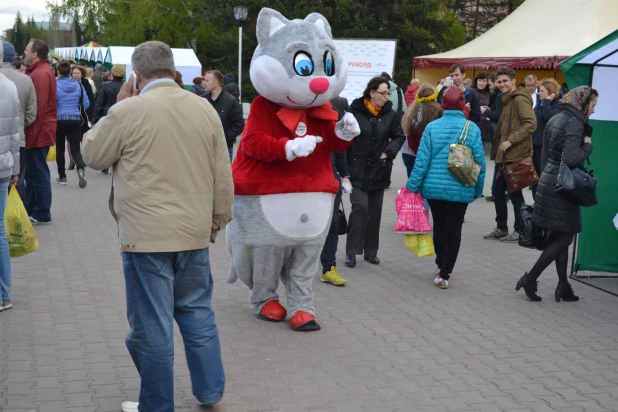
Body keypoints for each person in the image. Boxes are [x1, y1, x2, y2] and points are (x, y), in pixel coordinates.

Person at [82, 40, 233, 412]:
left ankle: (156, 404)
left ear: (136, 73)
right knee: (197, 314)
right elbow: (222, 174)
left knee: (152, 328)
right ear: (171, 69)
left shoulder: (128, 110)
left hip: (146, 238)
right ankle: (210, 390)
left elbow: (92, 154)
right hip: (194, 233)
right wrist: (215, 224)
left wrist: (117, 106)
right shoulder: (204, 108)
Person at [516, 86, 597, 302]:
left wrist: (544, 179)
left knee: (561, 235)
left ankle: (563, 286)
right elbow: (573, 159)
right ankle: (531, 278)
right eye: (592, 105)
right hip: (563, 187)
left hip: (550, 180)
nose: (594, 110)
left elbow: (544, 154)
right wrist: (588, 146)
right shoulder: (575, 123)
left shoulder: (556, 118)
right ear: (581, 103)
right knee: (566, 236)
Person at [406, 87, 486, 289]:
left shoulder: (432, 127)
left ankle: (440, 262)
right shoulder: (472, 129)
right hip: (461, 187)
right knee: (455, 229)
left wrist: (412, 186)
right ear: (462, 105)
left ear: (442, 104)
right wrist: (478, 190)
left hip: (434, 188)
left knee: (439, 226)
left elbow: (422, 161)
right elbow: (480, 164)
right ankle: (445, 273)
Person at [345, 76, 406, 268]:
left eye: (388, 93)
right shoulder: (353, 110)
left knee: (375, 211)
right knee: (360, 208)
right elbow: (344, 138)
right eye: (383, 93)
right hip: (357, 168)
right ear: (371, 93)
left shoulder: (390, 113)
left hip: (379, 170)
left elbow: (399, 136)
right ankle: (352, 252)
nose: (386, 97)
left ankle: (371, 252)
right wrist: (344, 168)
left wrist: (387, 153)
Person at [484, 68, 536, 243]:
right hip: (504, 155)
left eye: (505, 81)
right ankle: (501, 228)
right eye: (499, 82)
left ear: (513, 80)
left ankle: (519, 230)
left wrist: (510, 141)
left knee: (514, 193)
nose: (502, 84)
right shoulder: (507, 99)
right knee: (498, 192)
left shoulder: (520, 99)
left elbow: (531, 124)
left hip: (515, 154)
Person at [23, 38, 56, 225]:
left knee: (38, 174)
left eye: (27, 50)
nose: (25, 52)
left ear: (35, 53)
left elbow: (38, 110)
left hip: (39, 133)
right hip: (42, 131)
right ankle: (35, 209)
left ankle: (42, 212)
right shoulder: (40, 71)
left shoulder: (40, 75)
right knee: (35, 173)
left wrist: (30, 138)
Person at [320, 96, 352, 287]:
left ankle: (328, 267)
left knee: (332, 223)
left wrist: (345, 174)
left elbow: (340, 149)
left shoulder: (338, 105)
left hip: (331, 178)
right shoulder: (305, 106)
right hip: (308, 180)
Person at [1, 41, 37, 202]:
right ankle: (19, 220)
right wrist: (20, 125)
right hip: (17, 139)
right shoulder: (25, 80)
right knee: (18, 180)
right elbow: (31, 113)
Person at [0, 42, 21, 313]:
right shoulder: (9, 85)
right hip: (3, 165)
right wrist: (15, 168)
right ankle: (4, 294)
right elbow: (16, 133)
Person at [55, 60, 89, 188]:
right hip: (75, 119)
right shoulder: (78, 85)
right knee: (75, 148)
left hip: (59, 119)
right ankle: (80, 168)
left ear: (58, 71)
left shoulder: (55, 84)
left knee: (60, 148)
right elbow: (86, 103)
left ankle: (62, 176)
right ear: (70, 71)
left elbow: (52, 103)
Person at [200, 70, 244, 162]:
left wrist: (222, 138)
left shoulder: (231, 101)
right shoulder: (202, 100)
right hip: (204, 148)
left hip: (225, 149)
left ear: (215, 83)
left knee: (223, 176)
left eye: (207, 81)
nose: (203, 83)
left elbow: (239, 125)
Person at [400, 83, 442, 177]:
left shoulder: (411, 111)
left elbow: (410, 138)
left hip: (409, 154)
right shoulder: (438, 112)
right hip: (425, 156)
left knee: (413, 187)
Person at [531, 78, 562, 199]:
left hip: (545, 146)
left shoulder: (558, 105)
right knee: (534, 175)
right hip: (535, 144)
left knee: (542, 174)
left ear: (551, 92)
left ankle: (542, 200)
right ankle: (535, 200)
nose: (539, 93)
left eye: (542, 91)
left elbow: (550, 118)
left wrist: (547, 103)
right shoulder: (540, 105)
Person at [481, 73, 504, 201]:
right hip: (499, 133)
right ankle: (498, 191)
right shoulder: (498, 95)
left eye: (490, 83)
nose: (489, 86)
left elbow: (498, 115)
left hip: (498, 133)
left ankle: (497, 192)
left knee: (498, 164)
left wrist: (486, 111)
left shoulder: (499, 95)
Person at [472, 72, 491, 142]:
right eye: (479, 80)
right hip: (474, 123)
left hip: (486, 126)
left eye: (484, 81)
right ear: (476, 81)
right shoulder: (471, 92)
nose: (481, 83)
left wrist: (489, 109)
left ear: (487, 83)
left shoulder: (490, 94)